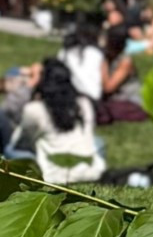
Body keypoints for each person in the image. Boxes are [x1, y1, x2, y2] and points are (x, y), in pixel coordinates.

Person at [6, 55, 104, 184]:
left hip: (54, 174)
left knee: (9, 149)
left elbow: (24, 141)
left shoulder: (35, 109)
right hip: (90, 172)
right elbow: (88, 134)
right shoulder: (84, 103)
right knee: (97, 141)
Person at [99, 23, 147, 123]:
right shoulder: (109, 56)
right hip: (115, 99)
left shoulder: (125, 61)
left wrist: (103, 63)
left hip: (130, 101)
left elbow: (108, 87)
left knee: (104, 110)